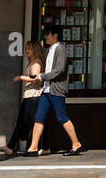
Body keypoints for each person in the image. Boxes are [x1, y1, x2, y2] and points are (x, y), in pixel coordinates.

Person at [25, 25, 84, 156]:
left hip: (56, 90)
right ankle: (33, 148)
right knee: (39, 118)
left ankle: (76, 144)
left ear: (55, 35)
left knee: (62, 117)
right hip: (46, 90)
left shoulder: (60, 48)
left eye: (48, 34)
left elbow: (59, 70)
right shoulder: (51, 50)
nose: (45, 37)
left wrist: (42, 76)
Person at [0, 40, 44, 155]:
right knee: (27, 122)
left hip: (34, 97)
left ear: (35, 50)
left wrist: (20, 77)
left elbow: (35, 79)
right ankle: (40, 147)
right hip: (29, 96)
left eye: (29, 48)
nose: (26, 51)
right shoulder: (32, 63)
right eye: (25, 48)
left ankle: (39, 147)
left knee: (34, 122)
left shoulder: (36, 64)